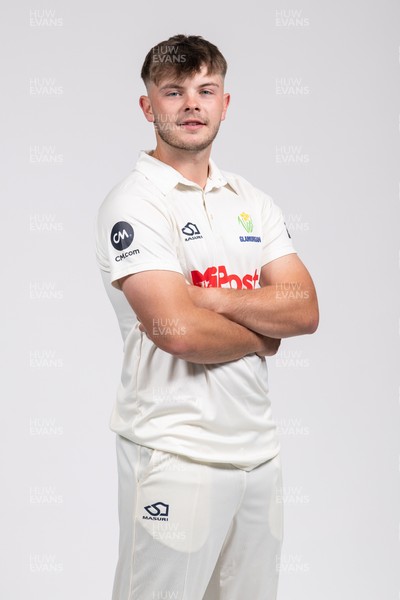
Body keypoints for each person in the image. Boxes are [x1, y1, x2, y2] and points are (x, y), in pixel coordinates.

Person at [95, 34, 319, 600]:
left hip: (258, 455)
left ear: (225, 103)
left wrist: (213, 298)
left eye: (205, 90)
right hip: (174, 451)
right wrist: (263, 336)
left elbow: (305, 308)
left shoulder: (251, 200)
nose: (191, 104)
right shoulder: (135, 203)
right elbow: (182, 333)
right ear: (148, 107)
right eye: (173, 92)